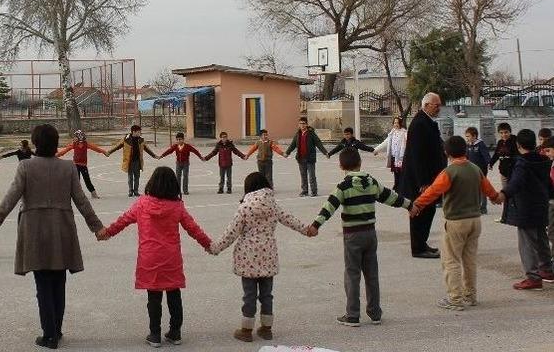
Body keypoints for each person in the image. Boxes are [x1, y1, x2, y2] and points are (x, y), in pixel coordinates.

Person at [0, 124, 104, 350]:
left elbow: (9, 200)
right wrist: (96, 227)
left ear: (35, 143)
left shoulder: (25, 167)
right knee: (59, 282)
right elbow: (82, 201)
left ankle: (49, 335)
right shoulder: (68, 168)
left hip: (35, 231)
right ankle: (56, 330)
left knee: (43, 284)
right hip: (62, 230)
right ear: (55, 142)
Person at [99, 166, 212, 348]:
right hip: (171, 257)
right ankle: (175, 332)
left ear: (152, 183)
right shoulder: (177, 207)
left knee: (154, 296)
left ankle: (155, 334)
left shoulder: (142, 204)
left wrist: (107, 232)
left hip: (149, 257)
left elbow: (124, 220)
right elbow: (193, 228)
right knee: (174, 294)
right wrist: (208, 244)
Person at [305, 147, 413, 327]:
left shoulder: (343, 186)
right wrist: (410, 205)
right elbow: (390, 197)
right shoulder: (371, 182)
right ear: (360, 163)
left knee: (352, 274)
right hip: (370, 234)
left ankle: (353, 315)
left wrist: (315, 225)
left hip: (352, 236)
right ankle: (375, 312)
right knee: (372, 274)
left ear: (341, 166)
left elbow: (329, 207)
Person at [209, 172, 308, 342]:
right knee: (267, 295)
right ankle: (266, 328)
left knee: (249, 294)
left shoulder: (245, 207)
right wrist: (307, 229)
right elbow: (290, 219)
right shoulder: (273, 205)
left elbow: (232, 232)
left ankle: (246, 330)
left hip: (248, 258)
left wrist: (216, 247)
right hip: (268, 256)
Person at [411, 136, 502, 310]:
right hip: (475, 220)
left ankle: (455, 299)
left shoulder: (449, 172)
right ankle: (470, 296)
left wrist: (417, 205)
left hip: (456, 221)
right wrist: (497, 198)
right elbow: (488, 189)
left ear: (446, 152)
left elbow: (433, 192)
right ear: (465, 150)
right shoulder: (475, 169)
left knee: (451, 260)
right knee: (469, 260)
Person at [499, 129, 554, 290]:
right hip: (541, 204)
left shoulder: (522, 163)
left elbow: (516, 182)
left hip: (526, 207)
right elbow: (549, 184)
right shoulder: (544, 160)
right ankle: (547, 269)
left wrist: (503, 194)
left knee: (527, 242)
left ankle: (532, 276)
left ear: (518, 145)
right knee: (542, 237)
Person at [400, 92, 447, 259]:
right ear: (426, 105)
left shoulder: (426, 121)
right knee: (420, 212)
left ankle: (422, 243)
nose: (439, 108)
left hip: (429, 178)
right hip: (420, 181)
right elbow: (417, 155)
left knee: (429, 211)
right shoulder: (420, 123)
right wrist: (423, 182)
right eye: (436, 105)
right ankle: (418, 248)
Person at [107, 125, 159, 198]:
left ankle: (136, 191)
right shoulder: (126, 139)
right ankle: (130, 191)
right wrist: (109, 152)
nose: (140, 133)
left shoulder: (141, 140)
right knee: (130, 177)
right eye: (139, 132)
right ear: (134, 132)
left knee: (137, 177)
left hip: (138, 162)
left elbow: (147, 149)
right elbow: (117, 146)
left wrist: (154, 155)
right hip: (129, 162)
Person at [285, 117, 329, 197]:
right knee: (303, 176)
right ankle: (304, 191)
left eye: (303, 123)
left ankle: (314, 191)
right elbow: (293, 144)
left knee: (312, 176)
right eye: (300, 123)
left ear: (307, 124)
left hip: (310, 158)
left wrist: (325, 152)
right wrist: (287, 153)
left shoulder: (311, 133)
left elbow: (318, 143)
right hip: (301, 158)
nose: (302, 125)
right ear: (299, 124)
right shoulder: (298, 134)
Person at [56, 130, 106, 199]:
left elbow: (96, 148)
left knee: (87, 180)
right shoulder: (74, 144)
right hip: (75, 165)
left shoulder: (86, 144)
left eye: (76, 136)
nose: (74, 138)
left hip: (83, 165)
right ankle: (74, 195)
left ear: (80, 137)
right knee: (76, 181)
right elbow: (65, 151)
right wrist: (57, 155)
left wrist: (104, 152)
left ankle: (93, 194)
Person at [373, 117, 407, 190]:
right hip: (394, 157)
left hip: (401, 158)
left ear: (400, 123)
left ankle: (400, 188)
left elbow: (410, 144)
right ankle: (397, 187)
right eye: (394, 123)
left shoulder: (404, 133)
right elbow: (385, 143)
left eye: (397, 123)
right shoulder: (392, 133)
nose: (396, 124)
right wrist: (375, 150)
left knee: (401, 173)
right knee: (396, 173)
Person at [465, 127, 492, 215]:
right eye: (466, 136)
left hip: (481, 170)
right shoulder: (468, 145)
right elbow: (466, 157)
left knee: (482, 189)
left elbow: (486, 155)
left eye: (468, 136)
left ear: (474, 136)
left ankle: (483, 208)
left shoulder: (480, 144)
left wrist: (489, 163)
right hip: (471, 170)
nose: (467, 138)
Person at [490, 122, 519, 190]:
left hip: (513, 172)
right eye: (501, 133)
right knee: (506, 191)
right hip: (503, 172)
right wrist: (491, 163)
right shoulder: (500, 142)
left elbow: (519, 155)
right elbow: (496, 154)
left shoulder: (515, 141)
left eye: (506, 132)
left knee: (514, 191)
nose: (504, 135)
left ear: (510, 132)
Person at [540, 138, 554, 256]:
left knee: (551, 232)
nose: (546, 154)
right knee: (550, 231)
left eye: (548, 151)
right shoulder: (549, 163)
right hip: (550, 201)